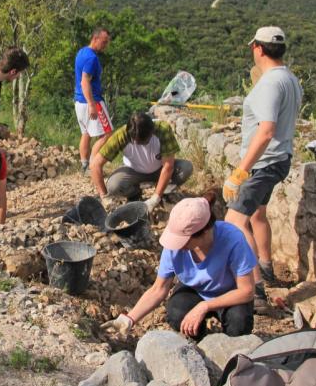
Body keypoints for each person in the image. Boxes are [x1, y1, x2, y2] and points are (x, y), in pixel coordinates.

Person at [223, 26, 302, 311]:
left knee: (234, 222)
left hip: (264, 164)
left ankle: (256, 290)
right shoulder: (290, 79)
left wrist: (240, 172)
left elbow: (266, 131)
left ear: (258, 48)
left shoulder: (270, 83)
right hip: (279, 159)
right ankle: (266, 267)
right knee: (257, 214)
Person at [101, 194, 256, 340]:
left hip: (229, 294)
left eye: (184, 241)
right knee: (176, 313)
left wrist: (205, 306)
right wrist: (128, 319)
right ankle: (200, 342)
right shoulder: (174, 247)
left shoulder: (233, 239)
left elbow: (246, 291)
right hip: (195, 290)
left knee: (239, 323)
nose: (178, 247)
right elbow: (158, 289)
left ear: (205, 231)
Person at [90, 111, 193, 212]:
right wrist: (104, 197)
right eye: (137, 141)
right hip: (134, 171)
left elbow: (168, 166)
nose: (141, 144)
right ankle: (134, 194)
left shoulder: (163, 130)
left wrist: (155, 199)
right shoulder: (121, 136)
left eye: (144, 141)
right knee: (113, 186)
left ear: (152, 131)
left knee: (186, 168)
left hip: (160, 169)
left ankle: (164, 192)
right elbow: (95, 165)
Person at [74, 27, 113, 172]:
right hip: (92, 101)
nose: (105, 45)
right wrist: (92, 105)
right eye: (103, 42)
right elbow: (85, 82)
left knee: (86, 133)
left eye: (107, 42)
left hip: (79, 102)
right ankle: (93, 166)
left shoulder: (82, 52)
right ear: (95, 39)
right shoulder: (92, 58)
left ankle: (84, 166)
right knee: (107, 134)